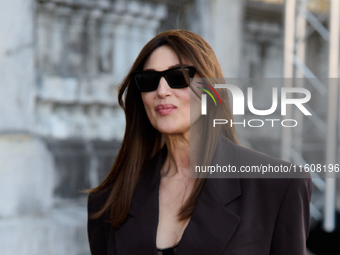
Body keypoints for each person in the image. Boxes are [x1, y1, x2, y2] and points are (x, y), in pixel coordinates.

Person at [87, 29, 312, 255]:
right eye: (149, 80)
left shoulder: (279, 184)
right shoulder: (109, 201)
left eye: (179, 77)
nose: (162, 91)